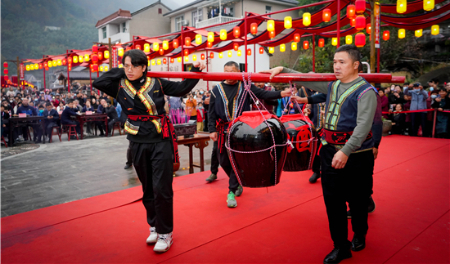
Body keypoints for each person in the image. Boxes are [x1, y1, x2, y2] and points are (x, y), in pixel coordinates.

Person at [262, 45, 377, 264]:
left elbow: (363, 127)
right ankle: (340, 246)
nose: (336, 66)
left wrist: (345, 151)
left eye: (341, 62)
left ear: (355, 65)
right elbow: (306, 78)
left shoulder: (366, 92)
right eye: (334, 62)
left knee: (358, 200)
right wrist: (284, 68)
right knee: (332, 201)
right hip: (328, 151)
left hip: (357, 154)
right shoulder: (332, 85)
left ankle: (360, 233)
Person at [93, 49, 204, 253]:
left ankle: (165, 233)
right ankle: (153, 225)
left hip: (160, 140)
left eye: (134, 66)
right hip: (137, 141)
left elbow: (181, 88)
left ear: (144, 67)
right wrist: (121, 69)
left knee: (162, 187)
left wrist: (193, 70)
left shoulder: (157, 82)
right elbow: (98, 82)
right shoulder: (119, 85)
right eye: (127, 66)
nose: (130, 70)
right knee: (147, 188)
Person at [208, 61, 291, 208]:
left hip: (241, 130)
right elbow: (211, 112)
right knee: (223, 161)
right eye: (226, 71)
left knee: (236, 160)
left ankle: (231, 191)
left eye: (232, 71)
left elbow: (262, 94)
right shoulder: (216, 90)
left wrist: (280, 93)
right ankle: (238, 181)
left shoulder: (244, 87)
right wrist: (211, 129)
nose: (228, 75)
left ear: (238, 72)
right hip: (223, 129)